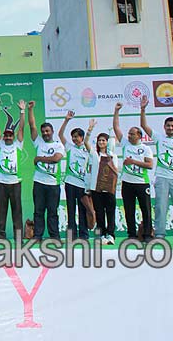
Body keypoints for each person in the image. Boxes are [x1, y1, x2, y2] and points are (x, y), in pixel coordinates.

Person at [140, 105, 173, 240]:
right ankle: (160, 234)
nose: (170, 128)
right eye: (168, 126)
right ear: (164, 127)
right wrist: (143, 109)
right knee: (160, 208)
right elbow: (143, 125)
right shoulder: (158, 138)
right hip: (161, 178)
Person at [113, 99, 154, 241]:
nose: (129, 136)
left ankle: (147, 235)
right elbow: (116, 128)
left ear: (139, 136)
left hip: (142, 183)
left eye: (132, 134)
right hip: (127, 183)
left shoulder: (146, 148)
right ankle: (131, 234)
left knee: (146, 210)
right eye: (129, 134)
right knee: (129, 210)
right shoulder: (125, 144)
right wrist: (116, 111)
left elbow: (150, 165)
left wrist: (133, 161)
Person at [0, 99, 26, 240]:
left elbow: (22, 128)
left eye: (10, 135)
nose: (8, 137)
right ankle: (1, 236)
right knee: (1, 210)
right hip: (1, 182)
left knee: (17, 211)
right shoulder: (0, 144)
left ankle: (18, 237)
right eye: (6, 135)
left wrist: (22, 111)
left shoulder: (18, 145)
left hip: (15, 182)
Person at [31, 102, 64, 241]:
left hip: (53, 184)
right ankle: (38, 236)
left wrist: (39, 158)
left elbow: (56, 159)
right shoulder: (38, 142)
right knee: (38, 211)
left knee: (52, 212)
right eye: (43, 131)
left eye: (47, 131)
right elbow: (32, 126)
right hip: (39, 182)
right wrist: (30, 109)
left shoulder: (58, 145)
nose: (45, 133)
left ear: (52, 132)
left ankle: (54, 236)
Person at [58, 112, 94, 240]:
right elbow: (60, 135)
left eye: (77, 137)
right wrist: (66, 120)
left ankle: (84, 234)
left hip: (82, 185)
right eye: (73, 137)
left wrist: (89, 130)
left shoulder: (88, 149)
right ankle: (72, 235)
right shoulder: (69, 148)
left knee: (83, 210)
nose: (74, 139)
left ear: (82, 138)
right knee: (71, 209)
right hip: (70, 183)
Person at [87, 131, 118, 244]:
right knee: (99, 212)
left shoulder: (113, 156)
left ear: (107, 142)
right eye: (99, 140)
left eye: (103, 140)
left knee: (110, 212)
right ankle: (101, 235)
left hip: (109, 189)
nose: (101, 142)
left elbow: (115, 172)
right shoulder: (95, 154)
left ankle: (110, 235)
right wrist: (90, 130)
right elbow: (86, 143)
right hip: (97, 189)